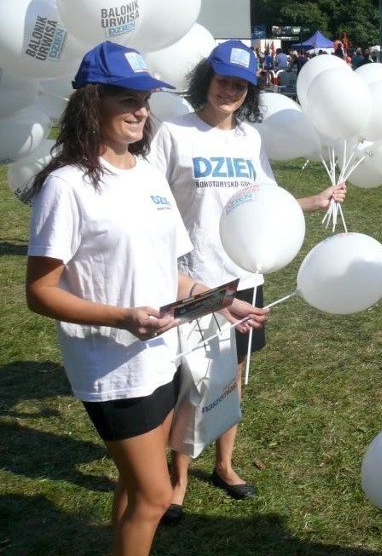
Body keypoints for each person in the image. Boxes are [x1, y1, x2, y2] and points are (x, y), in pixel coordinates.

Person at [24, 41, 267, 556]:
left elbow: (172, 275)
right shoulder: (67, 186)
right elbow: (40, 292)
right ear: (93, 105)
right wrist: (123, 318)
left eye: (146, 100)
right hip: (111, 370)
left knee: (134, 487)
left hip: (161, 358)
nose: (141, 112)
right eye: (127, 101)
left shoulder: (150, 175)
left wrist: (222, 301)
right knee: (156, 494)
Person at [149, 39, 346, 523]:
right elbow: (149, 202)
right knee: (188, 380)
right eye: (223, 81)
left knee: (232, 376)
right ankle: (178, 479)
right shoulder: (173, 134)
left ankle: (225, 464)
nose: (230, 90)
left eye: (240, 84)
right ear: (206, 81)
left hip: (244, 278)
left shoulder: (250, 140)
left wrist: (312, 202)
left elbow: (264, 200)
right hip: (191, 280)